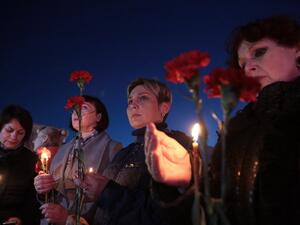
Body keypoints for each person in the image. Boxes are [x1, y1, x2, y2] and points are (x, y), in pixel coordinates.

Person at [144, 15, 300, 225]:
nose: (248, 68)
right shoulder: (236, 130)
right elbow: (214, 214)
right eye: (241, 64)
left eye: (259, 52)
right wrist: (188, 183)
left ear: (297, 50)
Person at [77, 78, 192, 225]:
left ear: (164, 108)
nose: (133, 105)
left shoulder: (178, 148)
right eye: (130, 101)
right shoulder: (123, 153)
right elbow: (100, 205)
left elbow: (166, 215)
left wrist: (106, 192)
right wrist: (82, 219)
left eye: (143, 98)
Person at [34, 95, 123, 225]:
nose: (77, 113)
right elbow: (54, 192)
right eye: (74, 110)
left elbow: (115, 196)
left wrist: (70, 219)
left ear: (98, 117)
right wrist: (44, 189)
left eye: (84, 108)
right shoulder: (62, 150)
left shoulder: (112, 147)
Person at [0, 104, 40, 225]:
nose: (14, 137)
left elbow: (33, 199)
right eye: (9, 130)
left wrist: (22, 218)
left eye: (20, 133)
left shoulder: (31, 160)